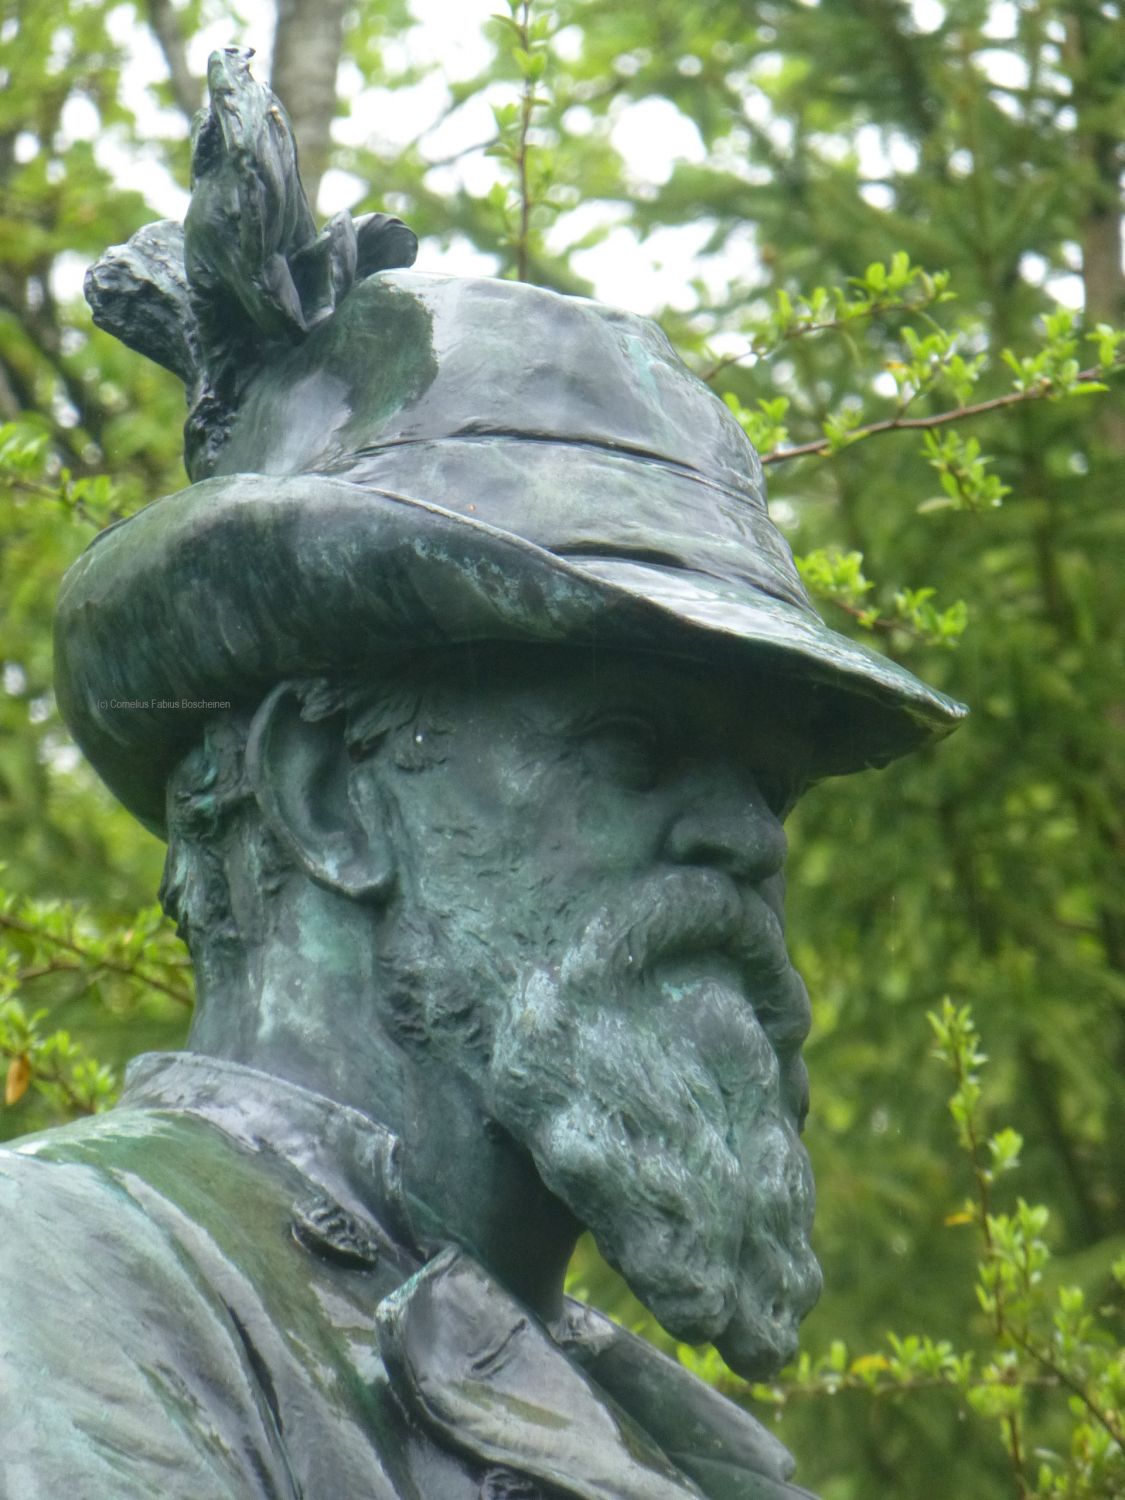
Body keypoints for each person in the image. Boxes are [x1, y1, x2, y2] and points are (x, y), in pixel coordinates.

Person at [0, 54, 965, 1500]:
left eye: (769, 788)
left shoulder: (682, 1446)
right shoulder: (75, 1286)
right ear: (329, 793)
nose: (744, 843)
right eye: (634, 748)